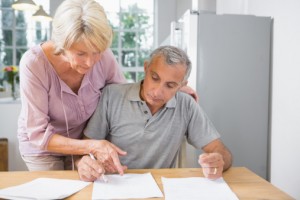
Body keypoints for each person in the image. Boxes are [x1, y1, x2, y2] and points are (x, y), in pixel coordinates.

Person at [17, 0, 197, 172]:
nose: (89, 62)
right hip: (45, 148)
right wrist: (93, 146)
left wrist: (170, 88)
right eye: (80, 53)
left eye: (96, 52)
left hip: (86, 143)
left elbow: (123, 95)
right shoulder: (34, 64)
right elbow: (38, 134)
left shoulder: (104, 57)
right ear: (62, 44)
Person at [76, 45, 232, 181]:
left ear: (182, 85)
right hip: (113, 185)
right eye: (155, 78)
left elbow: (221, 151)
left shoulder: (186, 105)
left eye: (170, 85)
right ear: (146, 68)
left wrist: (219, 160)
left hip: (161, 189)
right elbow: (85, 148)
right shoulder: (112, 96)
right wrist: (83, 163)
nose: (157, 92)